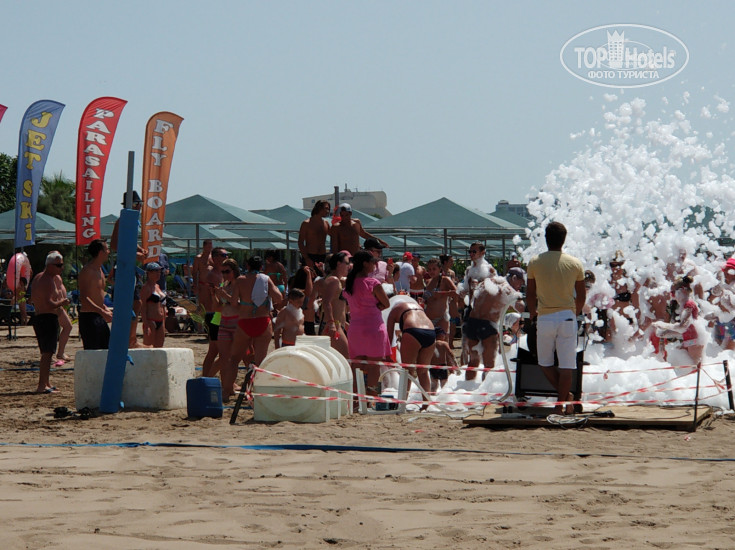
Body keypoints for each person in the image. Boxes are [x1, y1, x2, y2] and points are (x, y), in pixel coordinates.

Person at [526, 222, 586, 414]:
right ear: (564, 239)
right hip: (567, 316)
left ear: (546, 238)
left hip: (545, 316)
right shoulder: (575, 263)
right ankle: (562, 404)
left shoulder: (535, 262)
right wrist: (574, 313)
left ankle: (565, 399)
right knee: (567, 366)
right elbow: (582, 295)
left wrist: (533, 313)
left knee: (544, 363)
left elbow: (530, 294)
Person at [342, 250, 392, 397]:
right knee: (374, 368)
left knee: (356, 367)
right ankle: (371, 399)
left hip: (356, 328)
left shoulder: (349, 283)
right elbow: (386, 303)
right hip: (374, 327)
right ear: (365, 264)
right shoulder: (373, 283)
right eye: (373, 263)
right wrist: (375, 308)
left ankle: (356, 400)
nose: (375, 266)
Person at [462, 273, 522, 381]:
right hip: (488, 325)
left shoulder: (485, 283)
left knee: (473, 362)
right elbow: (521, 307)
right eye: (520, 283)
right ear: (514, 278)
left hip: (472, 322)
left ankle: (467, 388)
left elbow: (472, 302)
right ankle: (486, 391)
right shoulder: (506, 288)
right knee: (489, 365)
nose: (520, 286)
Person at [229, 256, 283, 373]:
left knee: (234, 359)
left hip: (244, 321)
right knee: (260, 361)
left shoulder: (240, 280)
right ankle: (256, 383)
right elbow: (279, 298)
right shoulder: (266, 279)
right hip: (262, 321)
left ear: (247, 266)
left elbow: (233, 303)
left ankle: (228, 385)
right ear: (261, 267)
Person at [28, 251, 69, 393]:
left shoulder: (39, 277)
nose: (61, 268)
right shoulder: (47, 280)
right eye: (59, 265)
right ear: (50, 265)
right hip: (46, 318)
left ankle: (46, 382)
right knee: (47, 354)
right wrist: (62, 302)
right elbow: (49, 303)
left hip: (41, 318)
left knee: (48, 353)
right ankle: (41, 385)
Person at [386, 299, 436, 404]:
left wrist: (387, 355)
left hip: (412, 331)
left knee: (407, 371)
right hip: (431, 331)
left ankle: (402, 403)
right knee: (423, 372)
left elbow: (389, 337)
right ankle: (426, 404)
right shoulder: (418, 307)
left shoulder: (394, 310)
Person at [212, 258, 244, 400]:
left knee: (239, 357)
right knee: (224, 358)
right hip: (224, 322)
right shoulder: (224, 284)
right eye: (223, 272)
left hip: (237, 323)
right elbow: (218, 307)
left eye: (227, 271)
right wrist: (214, 295)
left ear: (234, 271)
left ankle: (228, 385)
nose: (225, 274)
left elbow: (240, 304)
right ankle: (226, 387)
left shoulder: (240, 284)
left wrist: (225, 296)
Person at [653, 276, 704, 364]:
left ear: (682, 290)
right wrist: (665, 334)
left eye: (673, 293)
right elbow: (686, 330)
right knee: (683, 366)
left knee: (696, 368)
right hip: (689, 340)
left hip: (694, 342)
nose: (672, 296)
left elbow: (683, 327)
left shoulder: (689, 305)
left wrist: (664, 325)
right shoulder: (684, 305)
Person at [78, 239, 113, 350]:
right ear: (101, 252)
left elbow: (97, 295)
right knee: (93, 352)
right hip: (89, 317)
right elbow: (84, 297)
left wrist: (105, 308)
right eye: (107, 249)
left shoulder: (100, 270)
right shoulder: (88, 271)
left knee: (106, 350)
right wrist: (102, 311)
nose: (109, 252)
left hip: (99, 315)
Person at [201, 247, 228, 377]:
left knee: (214, 351)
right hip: (214, 315)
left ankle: (206, 377)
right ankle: (207, 376)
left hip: (217, 314)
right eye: (223, 255)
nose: (226, 257)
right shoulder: (212, 275)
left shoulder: (221, 273)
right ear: (215, 257)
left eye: (226, 255)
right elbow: (209, 297)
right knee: (219, 352)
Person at [321, 252, 351, 358]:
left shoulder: (336, 280)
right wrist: (331, 323)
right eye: (347, 263)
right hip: (333, 325)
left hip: (337, 324)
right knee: (346, 358)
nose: (349, 266)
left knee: (336, 359)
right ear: (339, 264)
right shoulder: (333, 280)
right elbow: (326, 302)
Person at [423, 257, 457, 337]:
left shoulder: (445, 280)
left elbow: (457, 292)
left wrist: (442, 294)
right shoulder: (428, 282)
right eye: (429, 269)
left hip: (441, 319)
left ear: (440, 269)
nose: (431, 271)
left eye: (434, 269)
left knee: (441, 342)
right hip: (428, 318)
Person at [298, 200, 331, 272]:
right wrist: (306, 258)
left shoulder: (326, 223)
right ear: (319, 208)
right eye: (326, 208)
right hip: (310, 256)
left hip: (322, 256)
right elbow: (300, 242)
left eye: (328, 209)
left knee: (322, 277)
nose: (328, 211)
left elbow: (334, 235)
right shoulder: (306, 223)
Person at [711, 257, 735, 350]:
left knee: (727, 351)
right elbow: (712, 299)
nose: (726, 272)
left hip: (732, 323)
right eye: (725, 270)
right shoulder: (723, 285)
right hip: (720, 321)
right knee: (718, 351)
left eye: (729, 270)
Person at [140, 262, 167, 348]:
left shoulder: (157, 286)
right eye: (156, 272)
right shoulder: (145, 288)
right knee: (149, 347)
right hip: (151, 321)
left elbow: (162, 305)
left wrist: (164, 322)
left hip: (160, 320)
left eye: (159, 272)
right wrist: (146, 324)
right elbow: (143, 307)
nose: (158, 274)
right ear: (149, 273)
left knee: (159, 347)